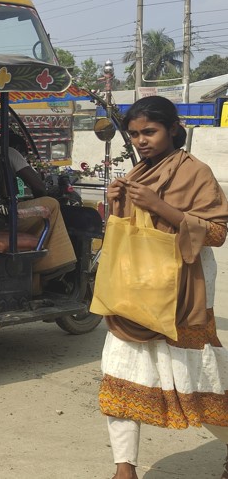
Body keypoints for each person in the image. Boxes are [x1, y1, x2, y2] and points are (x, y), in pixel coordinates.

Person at [100, 96, 228, 479]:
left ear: (173, 128)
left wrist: (160, 206)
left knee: (199, 385)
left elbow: (218, 233)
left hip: (182, 299)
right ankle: (125, 470)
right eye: (135, 133)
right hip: (132, 294)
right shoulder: (137, 174)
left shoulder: (196, 173)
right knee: (119, 378)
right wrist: (115, 203)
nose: (141, 140)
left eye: (150, 132)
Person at [0, 131, 76, 284]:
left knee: (27, 214)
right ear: (18, 148)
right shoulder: (9, 152)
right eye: (23, 155)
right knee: (51, 204)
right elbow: (39, 189)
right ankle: (48, 267)